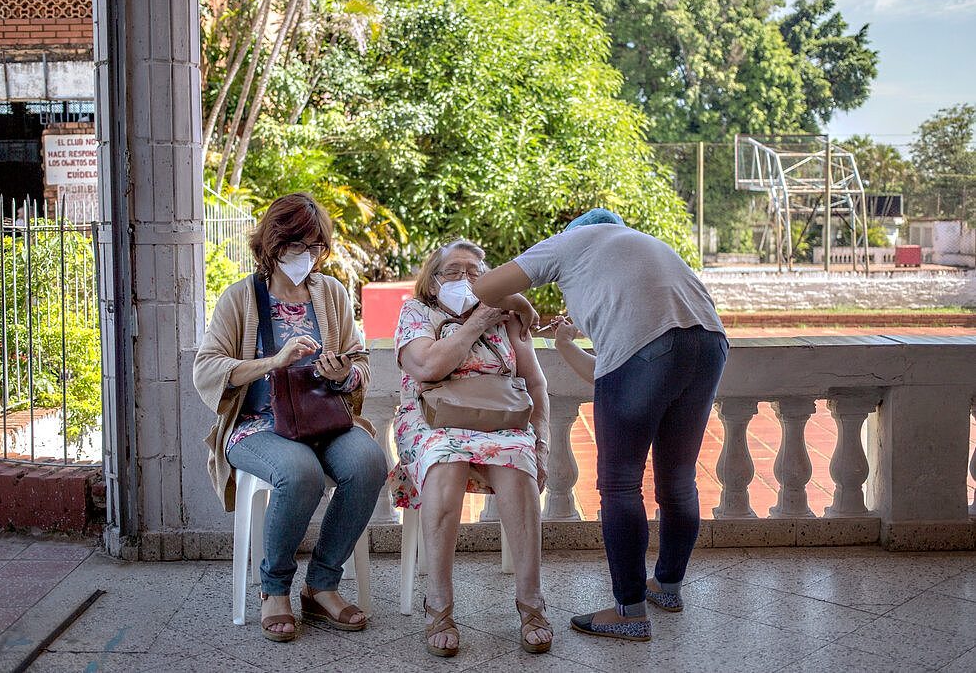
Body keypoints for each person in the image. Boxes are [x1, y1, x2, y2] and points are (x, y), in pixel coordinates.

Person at [472, 208, 728, 642]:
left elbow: (484, 286)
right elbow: (621, 370)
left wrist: (521, 302)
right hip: (709, 343)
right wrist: (566, 341)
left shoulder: (573, 241)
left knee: (620, 485)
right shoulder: (645, 244)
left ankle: (629, 611)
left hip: (649, 351)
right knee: (679, 478)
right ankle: (667, 588)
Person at [193, 192, 387, 642]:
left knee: (369, 462)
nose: (306, 256)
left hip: (322, 420)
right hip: (256, 425)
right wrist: (271, 362)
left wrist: (345, 374)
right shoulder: (240, 298)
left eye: (315, 247)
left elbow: (360, 359)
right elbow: (206, 367)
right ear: (272, 243)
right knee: (299, 473)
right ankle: (275, 589)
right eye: (296, 246)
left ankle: (321, 584)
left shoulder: (331, 294)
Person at [389, 239, 553, 657]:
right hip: (432, 419)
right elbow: (428, 366)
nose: (465, 279)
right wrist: (475, 323)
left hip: (501, 418)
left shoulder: (508, 317)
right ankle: (439, 604)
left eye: (476, 273)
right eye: (454, 271)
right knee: (445, 461)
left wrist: (543, 439)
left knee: (520, 463)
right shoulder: (417, 314)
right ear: (432, 279)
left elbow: (535, 382)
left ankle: (531, 602)